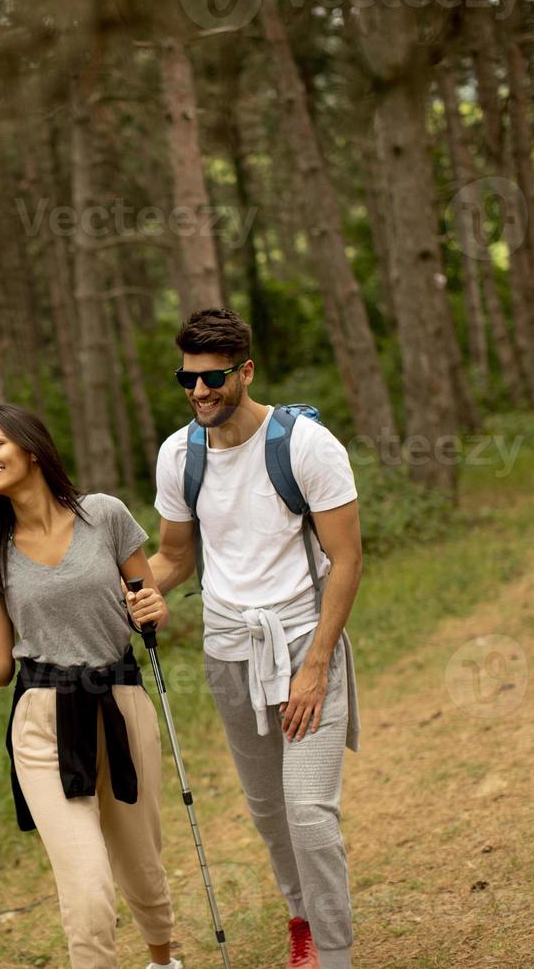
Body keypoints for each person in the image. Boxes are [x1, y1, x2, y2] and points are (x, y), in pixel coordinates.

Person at [0, 404, 183, 969]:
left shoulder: (104, 516)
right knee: (87, 888)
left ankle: (163, 961)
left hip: (121, 704)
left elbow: (148, 608)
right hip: (41, 724)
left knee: (141, 864)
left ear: (31, 448)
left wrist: (153, 608)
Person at [145, 310, 364, 969]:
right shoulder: (178, 455)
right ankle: (301, 917)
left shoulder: (305, 446)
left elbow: (347, 559)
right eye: (187, 378)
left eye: (212, 377)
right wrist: (140, 588)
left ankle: (334, 951)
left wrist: (318, 664)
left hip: (303, 643)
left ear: (245, 370)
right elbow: (173, 558)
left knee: (308, 813)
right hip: (229, 654)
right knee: (269, 811)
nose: (199, 391)